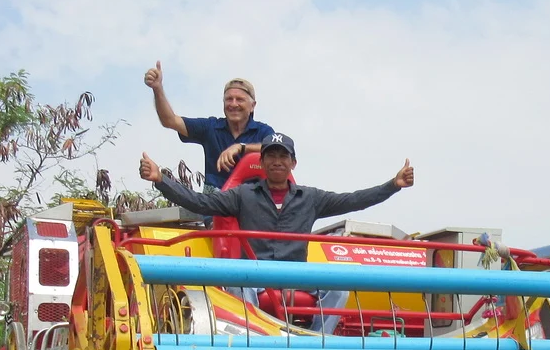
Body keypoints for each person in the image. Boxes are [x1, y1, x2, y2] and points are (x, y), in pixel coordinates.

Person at [139, 133, 415, 334]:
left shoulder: (311, 197)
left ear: (293, 163)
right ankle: (255, 344)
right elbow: (200, 203)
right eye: (271, 156)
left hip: (297, 274)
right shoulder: (243, 195)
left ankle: (316, 344)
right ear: (262, 162)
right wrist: (161, 180)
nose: (277, 161)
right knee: (237, 283)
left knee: (339, 285)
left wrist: (393, 184)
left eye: (283, 156)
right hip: (255, 274)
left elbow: (354, 200)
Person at [144, 61, 274, 190]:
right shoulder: (211, 127)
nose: (234, 104)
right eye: (229, 99)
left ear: (252, 106)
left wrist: (241, 147)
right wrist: (157, 89)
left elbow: (276, 150)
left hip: (251, 199)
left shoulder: (263, 131)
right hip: (215, 199)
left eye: (240, 99)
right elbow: (170, 120)